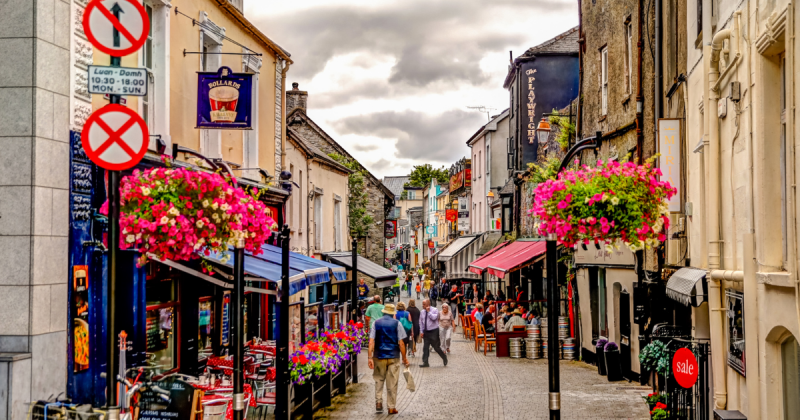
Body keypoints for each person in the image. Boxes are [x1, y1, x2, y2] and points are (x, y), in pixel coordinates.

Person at [368, 304, 410, 414]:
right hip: (393, 356)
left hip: (379, 355)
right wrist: (404, 358)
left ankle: (378, 402)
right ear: (392, 314)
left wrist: (369, 357)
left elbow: (371, 341)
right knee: (392, 382)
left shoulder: (375, 323)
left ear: (383, 312)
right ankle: (391, 407)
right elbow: (401, 343)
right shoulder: (397, 323)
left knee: (379, 380)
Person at [418, 299, 448, 367]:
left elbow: (434, 318)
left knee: (436, 347)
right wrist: (421, 331)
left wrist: (428, 312)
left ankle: (444, 357)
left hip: (434, 331)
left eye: (424, 304)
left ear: (428, 305)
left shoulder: (434, 310)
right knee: (425, 347)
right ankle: (425, 362)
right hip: (426, 332)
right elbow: (421, 322)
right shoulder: (422, 312)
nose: (422, 305)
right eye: (422, 304)